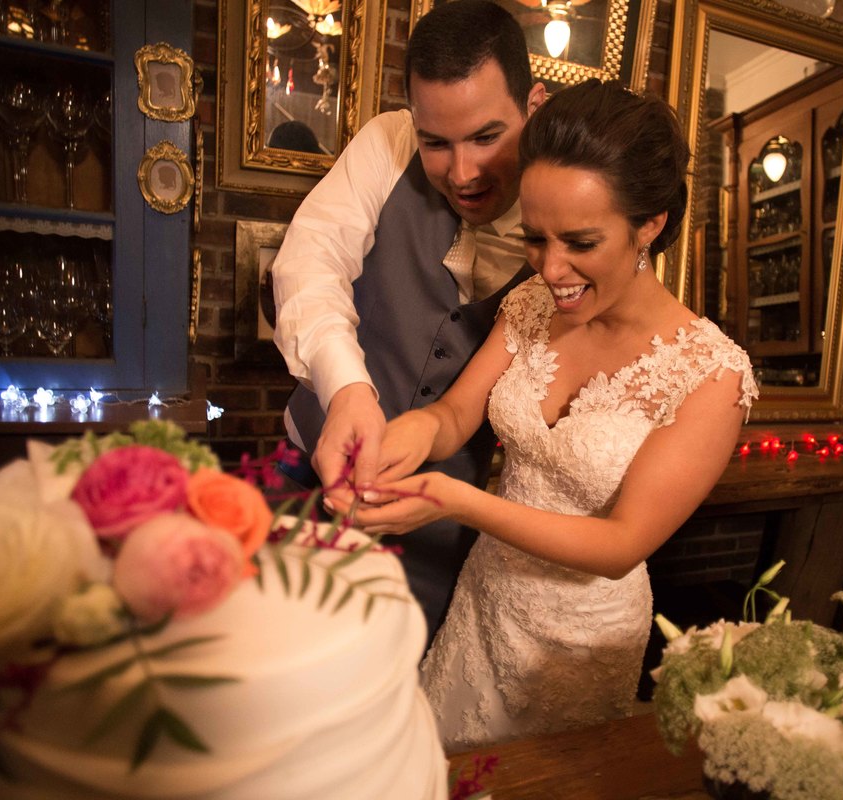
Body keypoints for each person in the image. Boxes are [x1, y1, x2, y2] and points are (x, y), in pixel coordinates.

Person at [349, 80, 758, 751]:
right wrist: (407, 431)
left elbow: (621, 545)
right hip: (486, 602)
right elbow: (455, 413)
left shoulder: (712, 375)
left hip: (579, 643)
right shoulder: (532, 304)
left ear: (650, 224)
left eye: (581, 241)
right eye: (535, 238)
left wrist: (454, 500)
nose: (552, 268)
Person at [271, 0, 546, 641]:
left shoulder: (567, 202)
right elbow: (310, 262)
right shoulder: (386, 143)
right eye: (436, 143)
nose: (463, 173)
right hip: (308, 461)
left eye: (486, 137)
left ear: (534, 106)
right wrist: (346, 390)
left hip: (439, 516)